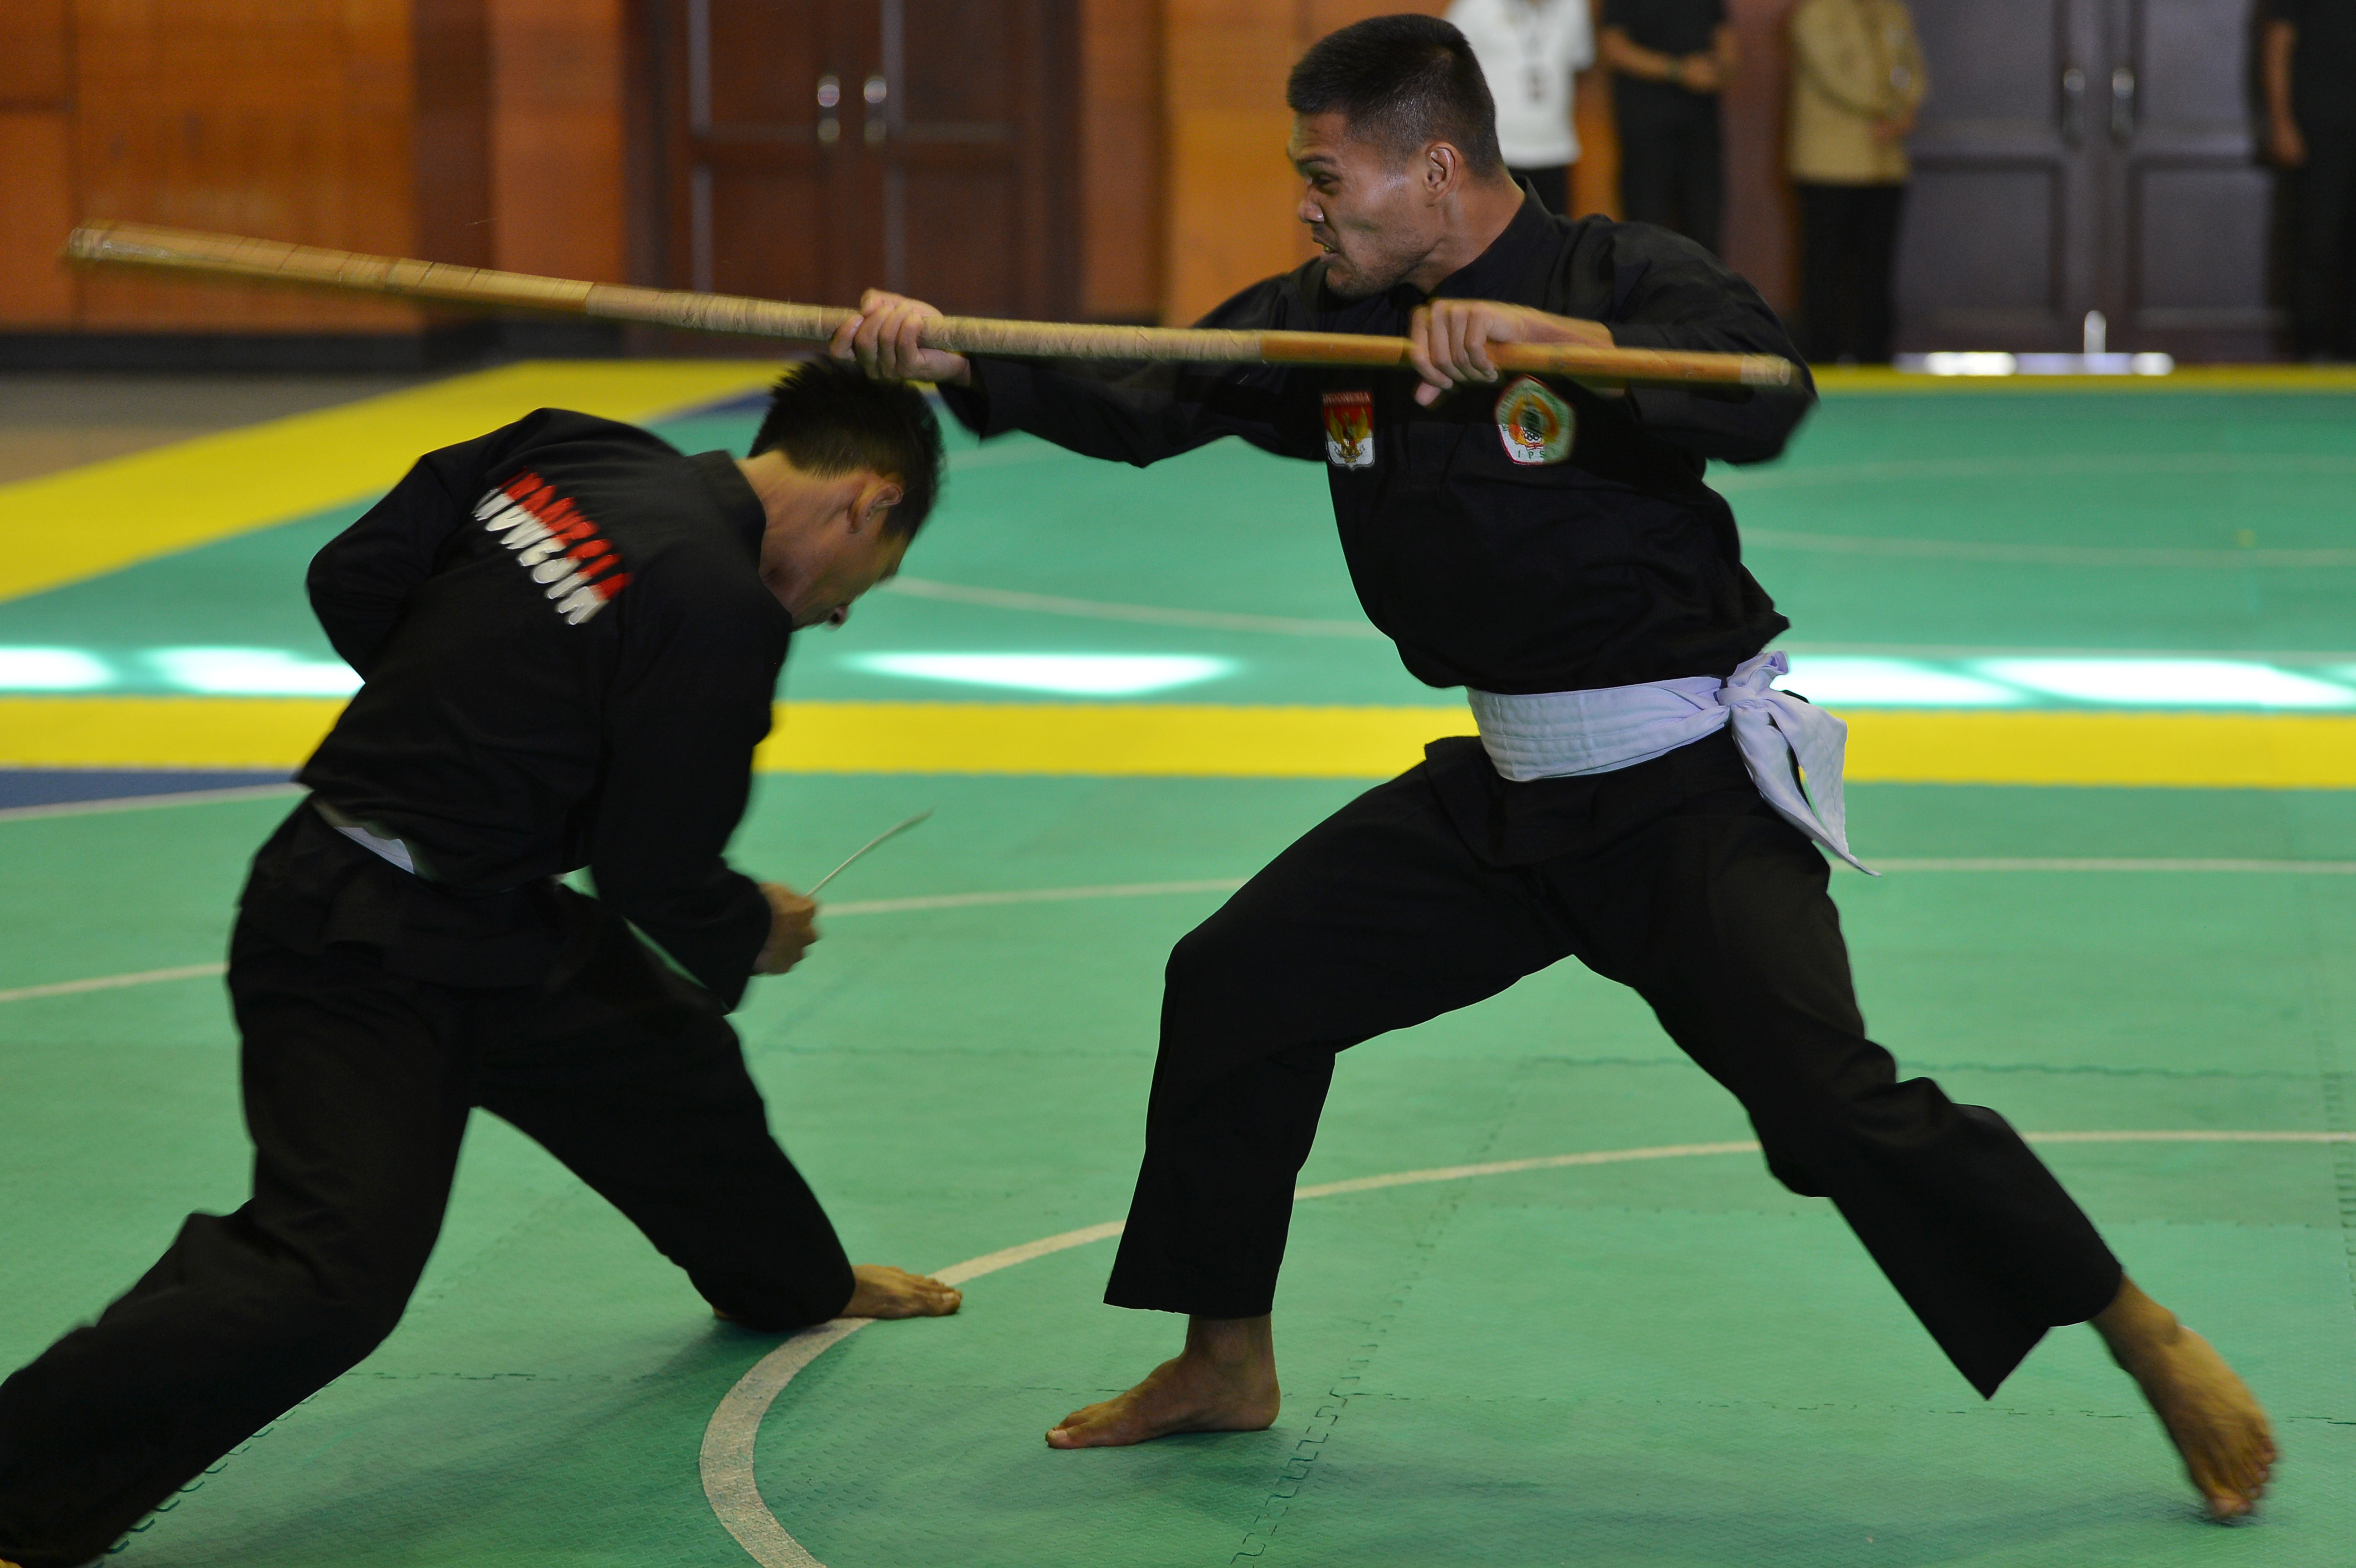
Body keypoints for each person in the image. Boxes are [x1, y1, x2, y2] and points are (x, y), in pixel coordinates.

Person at [834, 12, 2277, 1523]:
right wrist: (953, 354)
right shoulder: (1337, 315)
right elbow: (1151, 395)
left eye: (1328, 175)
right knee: (1237, 976)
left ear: (1437, 166)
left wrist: (1563, 353)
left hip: (1680, 795)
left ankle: (2138, 1327)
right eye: (1301, 177)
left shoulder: (1616, 276)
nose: (1307, 205)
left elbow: (1765, 391)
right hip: (1503, 797)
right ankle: (1224, 1356)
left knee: (1831, 1109)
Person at [0, 361, 965, 1568]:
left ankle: (786, 1280)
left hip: (466, 905)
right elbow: (653, 869)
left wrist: (461, 708)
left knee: (669, 1061)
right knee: (328, 1278)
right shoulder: (718, 605)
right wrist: (754, 927)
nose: (834, 612)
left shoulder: (572, 452)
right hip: (355, 939)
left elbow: (351, 576)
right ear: (867, 504)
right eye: (860, 589)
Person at [1787, 0, 1926, 363]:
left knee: (1875, 269)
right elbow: (1835, 77)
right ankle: (1822, 358)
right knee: (1824, 268)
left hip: (1884, 163)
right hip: (1829, 164)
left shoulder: (1889, 9)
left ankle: (1874, 355)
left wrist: (1905, 107)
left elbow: (1913, 66)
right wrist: (1889, 107)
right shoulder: (1816, 11)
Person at [1599, 0, 1735, 253]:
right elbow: (1612, 47)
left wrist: (1722, 69)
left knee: (1705, 228)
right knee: (1645, 232)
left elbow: (1723, 34)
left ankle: (1701, 294)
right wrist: (1677, 71)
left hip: (1701, 128)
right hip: (1646, 129)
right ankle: (1645, 293)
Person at [2266, 0, 2356, 360]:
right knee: (2315, 245)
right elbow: (2277, 42)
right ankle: (2310, 354)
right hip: (2318, 129)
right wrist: (2281, 122)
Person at [1446, 0, 1596, 215]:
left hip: (1555, 148)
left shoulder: (1574, 6)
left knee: (1555, 240)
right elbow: (1448, 63)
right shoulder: (1475, 5)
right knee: (1495, 238)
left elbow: (1581, 60)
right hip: (1494, 151)